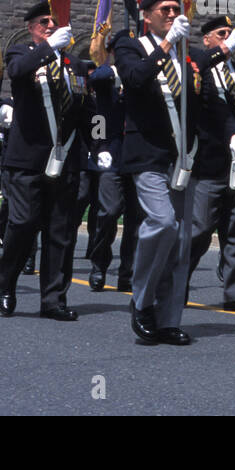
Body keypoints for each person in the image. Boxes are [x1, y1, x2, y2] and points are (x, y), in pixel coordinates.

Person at [113, 0, 202, 346]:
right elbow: (135, 80)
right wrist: (166, 46)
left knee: (181, 241)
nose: (171, 13)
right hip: (147, 154)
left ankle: (167, 319)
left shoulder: (188, 54)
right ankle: (142, 299)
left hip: (182, 156)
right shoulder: (130, 44)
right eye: (164, 9)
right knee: (162, 222)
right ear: (146, 16)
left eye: (174, 8)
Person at [0, 3, 93, 319]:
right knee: (22, 224)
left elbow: (86, 111)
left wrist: (98, 144)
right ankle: (7, 280)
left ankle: (53, 300)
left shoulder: (75, 65)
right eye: (43, 21)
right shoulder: (22, 54)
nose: (50, 24)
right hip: (28, 160)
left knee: (60, 232)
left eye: (54, 19)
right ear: (32, 27)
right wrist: (49, 48)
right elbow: (17, 73)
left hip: (65, 161)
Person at [186, 16, 235, 314]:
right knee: (199, 230)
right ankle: (177, 280)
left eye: (231, 33)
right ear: (207, 39)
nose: (228, 37)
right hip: (208, 162)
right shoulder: (199, 66)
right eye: (221, 33)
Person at [86, 29, 141, 293]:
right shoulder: (107, 78)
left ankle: (127, 272)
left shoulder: (141, 77)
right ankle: (99, 265)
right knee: (108, 212)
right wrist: (119, 68)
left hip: (139, 156)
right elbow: (95, 77)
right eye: (121, 51)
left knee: (136, 221)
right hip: (112, 154)